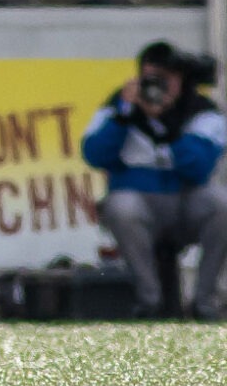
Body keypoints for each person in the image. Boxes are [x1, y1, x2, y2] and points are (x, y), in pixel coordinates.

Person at [81, 40, 227, 319]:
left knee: (222, 203)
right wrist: (125, 115)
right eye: (151, 79)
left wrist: (168, 126)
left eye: (166, 80)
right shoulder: (120, 106)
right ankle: (149, 301)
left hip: (187, 201)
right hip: (140, 203)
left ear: (181, 80)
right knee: (121, 205)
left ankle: (204, 301)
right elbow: (94, 154)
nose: (157, 87)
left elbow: (198, 168)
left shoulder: (201, 110)